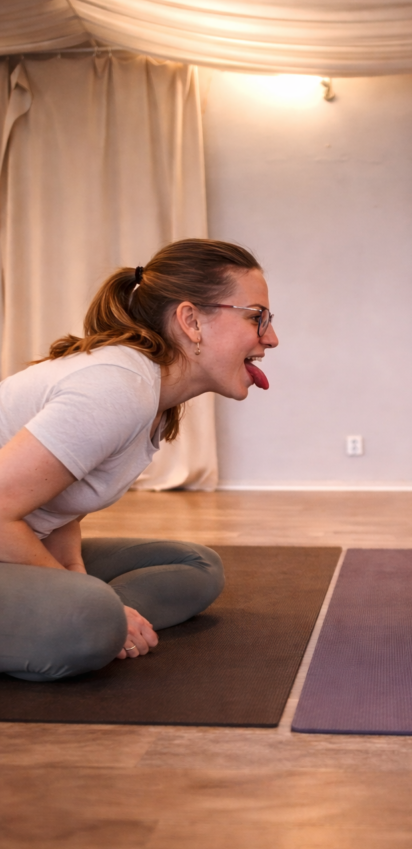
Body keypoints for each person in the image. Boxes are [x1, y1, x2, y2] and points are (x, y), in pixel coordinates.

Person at [0, 238, 278, 681]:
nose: (271, 338)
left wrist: (74, 575)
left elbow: (55, 501)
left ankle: (91, 619)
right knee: (88, 618)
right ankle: (86, 622)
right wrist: (79, 592)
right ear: (191, 320)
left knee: (197, 568)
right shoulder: (117, 387)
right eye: (256, 318)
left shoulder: (150, 396)